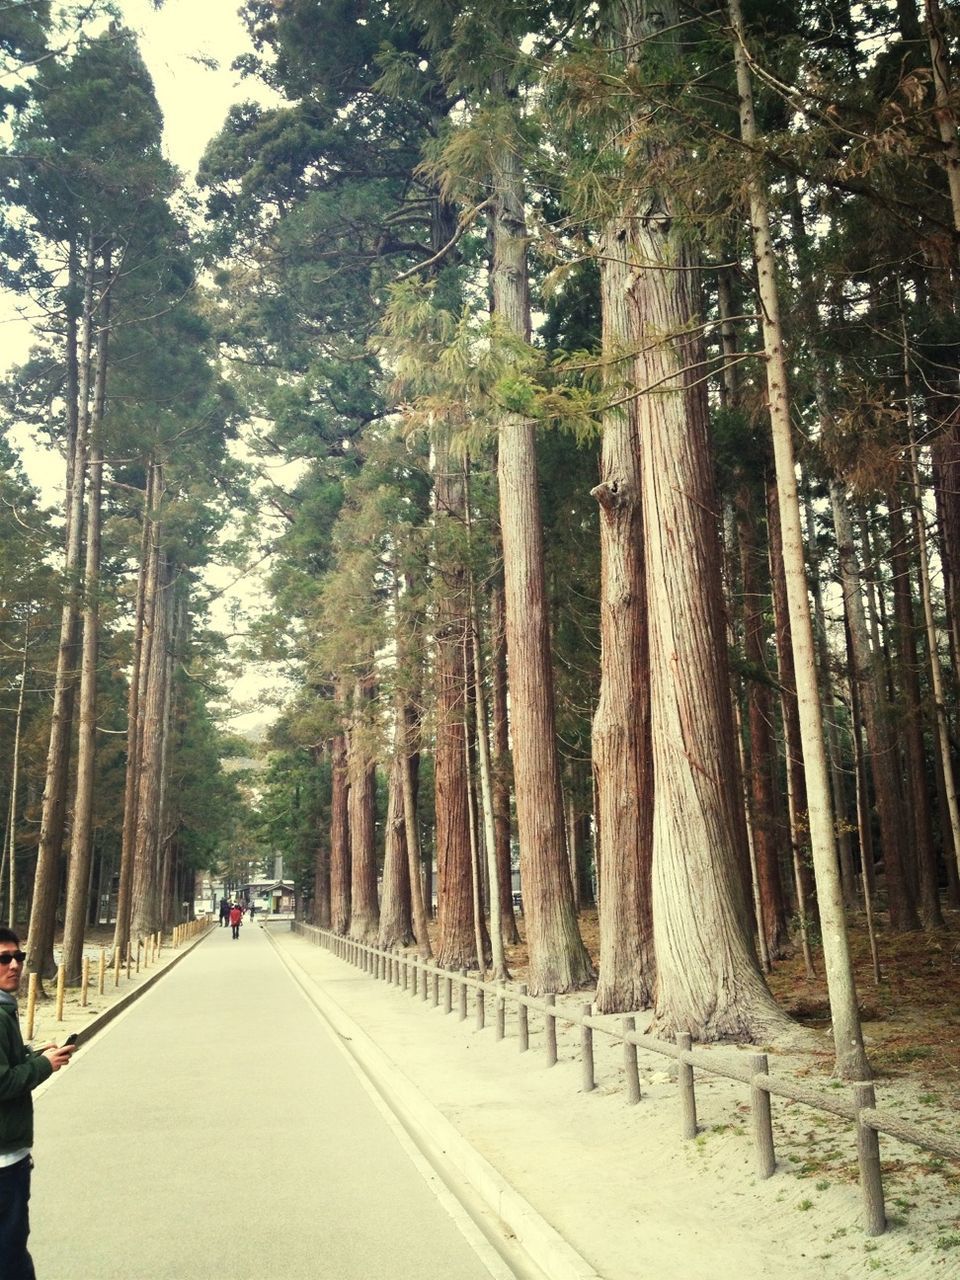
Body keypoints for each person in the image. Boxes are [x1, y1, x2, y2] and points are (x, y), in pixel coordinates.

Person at [0, 928, 75, 1279]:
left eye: (19, 957)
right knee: (11, 1252)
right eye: (4, 959)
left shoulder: (5, 1008)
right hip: (4, 1160)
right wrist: (46, 1064)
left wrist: (34, 1054)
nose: (14, 965)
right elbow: (3, 1082)